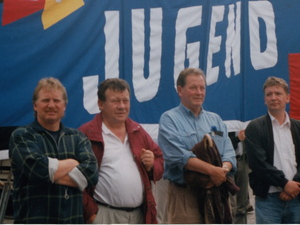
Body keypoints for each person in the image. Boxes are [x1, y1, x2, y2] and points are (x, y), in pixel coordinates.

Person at [9, 77, 98, 224]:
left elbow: (92, 174)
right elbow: (38, 170)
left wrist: (50, 174)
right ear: (35, 105)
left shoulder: (77, 137)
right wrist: (72, 163)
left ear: (64, 106)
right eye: (45, 100)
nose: (51, 105)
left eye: (56, 100)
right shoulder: (22, 136)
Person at [79, 78, 164, 224]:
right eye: (115, 101)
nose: (122, 106)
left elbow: (159, 161)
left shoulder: (137, 131)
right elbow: (75, 181)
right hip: (104, 215)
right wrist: (91, 214)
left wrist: (151, 166)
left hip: (139, 215)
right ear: (100, 104)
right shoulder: (86, 134)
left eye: (125, 101)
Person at [158, 67, 236, 224]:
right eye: (193, 87)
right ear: (180, 90)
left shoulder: (215, 120)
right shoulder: (169, 119)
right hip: (185, 197)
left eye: (202, 88)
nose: (199, 92)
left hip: (216, 194)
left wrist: (222, 171)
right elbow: (179, 156)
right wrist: (213, 171)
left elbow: (229, 154)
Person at [245, 76, 300, 224]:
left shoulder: (298, 127)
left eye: (278, 93)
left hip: (297, 199)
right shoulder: (255, 128)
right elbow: (258, 164)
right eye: (269, 94)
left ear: (287, 98)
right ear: (265, 100)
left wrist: (295, 186)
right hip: (268, 201)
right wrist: (284, 183)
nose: (273, 97)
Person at [229, 130, 253, 224]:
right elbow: (220, 143)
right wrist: (237, 139)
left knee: (242, 203)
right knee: (231, 203)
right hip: (227, 163)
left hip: (242, 160)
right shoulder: (226, 122)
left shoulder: (244, 123)